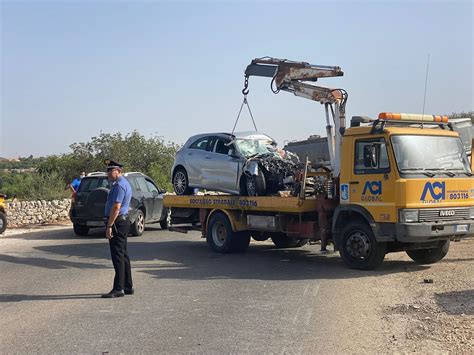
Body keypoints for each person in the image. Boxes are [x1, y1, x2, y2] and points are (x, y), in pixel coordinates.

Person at [101, 160, 133, 298]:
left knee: (118, 256)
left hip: (117, 223)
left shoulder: (120, 185)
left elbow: (116, 207)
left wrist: (109, 225)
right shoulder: (121, 183)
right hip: (121, 222)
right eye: (107, 170)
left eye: (110, 170)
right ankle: (127, 286)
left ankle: (118, 288)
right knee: (123, 255)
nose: (108, 173)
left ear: (118, 171)